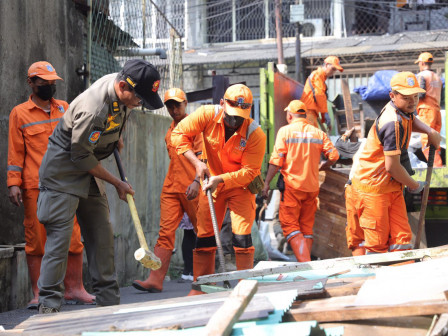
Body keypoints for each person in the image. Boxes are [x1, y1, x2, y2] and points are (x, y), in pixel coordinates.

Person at [36, 59, 163, 313]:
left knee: (102, 238)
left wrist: (117, 138)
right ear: (124, 86)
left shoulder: (122, 91)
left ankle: (108, 307)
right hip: (64, 172)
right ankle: (48, 308)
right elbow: (80, 156)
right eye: (139, 98)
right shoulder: (94, 108)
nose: (139, 104)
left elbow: (117, 118)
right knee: (59, 243)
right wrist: (117, 182)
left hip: (89, 168)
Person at [7, 61, 94, 308]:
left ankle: (74, 289)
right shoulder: (19, 113)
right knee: (37, 240)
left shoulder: (65, 108)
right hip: (35, 186)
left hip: (67, 184)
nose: (48, 86)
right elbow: (16, 153)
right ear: (31, 83)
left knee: (74, 237)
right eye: (43, 83)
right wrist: (14, 183)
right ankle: (38, 293)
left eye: (51, 83)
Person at [171, 84, 266, 295]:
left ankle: (245, 288)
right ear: (222, 104)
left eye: (240, 117)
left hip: (240, 187)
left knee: (242, 238)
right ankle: (202, 287)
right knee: (205, 236)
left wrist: (221, 179)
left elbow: (250, 172)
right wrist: (196, 163)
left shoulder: (255, 134)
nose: (235, 121)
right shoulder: (206, 115)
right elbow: (178, 135)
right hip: (211, 186)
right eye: (231, 115)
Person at [351, 72, 441, 254]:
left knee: (402, 240)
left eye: (415, 96)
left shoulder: (401, 110)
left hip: (391, 186)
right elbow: (391, 166)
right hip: (374, 189)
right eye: (406, 97)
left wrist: (430, 131)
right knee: (377, 245)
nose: (412, 102)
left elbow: (411, 118)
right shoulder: (391, 123)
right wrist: (414, 185)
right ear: (392, 96)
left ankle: (403, 272)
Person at [132, 88, 201, 293]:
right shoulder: (169, 131)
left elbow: (203, 159)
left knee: (202, 232)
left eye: (177, 105)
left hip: (193, 188)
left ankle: (204, 279)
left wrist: (197, 181)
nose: (173, 109)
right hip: (171, 188)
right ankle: (155, 279)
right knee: (165, 234)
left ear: (185, 104)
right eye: (169, 105)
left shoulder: (196, 128)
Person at [262, 100, 339, 262]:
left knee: (290, 225)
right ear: (304, 115)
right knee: (306, 228)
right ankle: (306, 262)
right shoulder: (318, 133)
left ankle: (306, 264)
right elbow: (334, 156)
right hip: (311, 188)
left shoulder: (285, 132)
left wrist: (267, 183)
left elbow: (276, 162)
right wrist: (324, 166)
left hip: (292, 188)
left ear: (289, 115)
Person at [335, 128, 366, 256]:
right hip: (377, 192)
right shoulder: (391, 146)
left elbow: (339, 146)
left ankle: (362, 264)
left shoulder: (363, 145)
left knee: (356, 232)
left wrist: (345, 135)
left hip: (356, 189)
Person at [415, 52, 443, 167]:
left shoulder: (422, 75)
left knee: (426, 141)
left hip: (426, 111)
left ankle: (437, 167)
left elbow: (420, 95)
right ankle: (440, 164)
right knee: (435, 140)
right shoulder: (438, 78)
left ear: (421, 63)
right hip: (436, 111)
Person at [300, 56, 344, 129]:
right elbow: (319, 95)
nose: (333, 72)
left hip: (311, 111)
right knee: (311, 136)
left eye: (335, 70)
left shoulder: (320, 77)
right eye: (333, 69)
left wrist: (324, 115)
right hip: (309, 111)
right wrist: (325, 114)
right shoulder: (318, 75)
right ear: (326, 65)